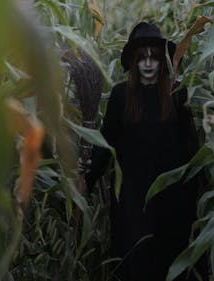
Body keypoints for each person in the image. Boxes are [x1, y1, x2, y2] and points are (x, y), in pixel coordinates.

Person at [85, 22, 204, 281]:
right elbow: (106, 143)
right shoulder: (120, 96)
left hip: (172, 198)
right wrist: (85, 182)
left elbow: (191, 147)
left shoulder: (176, 94)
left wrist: (198, 197)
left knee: (169, 261)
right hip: (132, 199)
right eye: (142, 58)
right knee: (135, 260)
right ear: (133, 63)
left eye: (154, 57)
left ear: (163, 62)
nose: (148, 64)